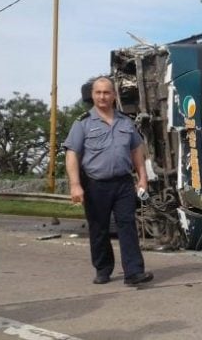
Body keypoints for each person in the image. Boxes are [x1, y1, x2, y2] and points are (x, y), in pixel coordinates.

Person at [64, 76, 153, 286]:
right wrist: (75, 184)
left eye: (106, 92)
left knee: (127, 225)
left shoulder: (125, 122)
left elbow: (136, 151)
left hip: (123, 183)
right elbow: (71, 155)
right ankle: (103, 269)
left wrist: (143, 177)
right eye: (98, 93)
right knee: (99, 228)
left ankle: (133, 272)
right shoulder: (83, 123)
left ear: (114, 96)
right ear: (92, 96)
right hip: (95, 184)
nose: (102, 97)